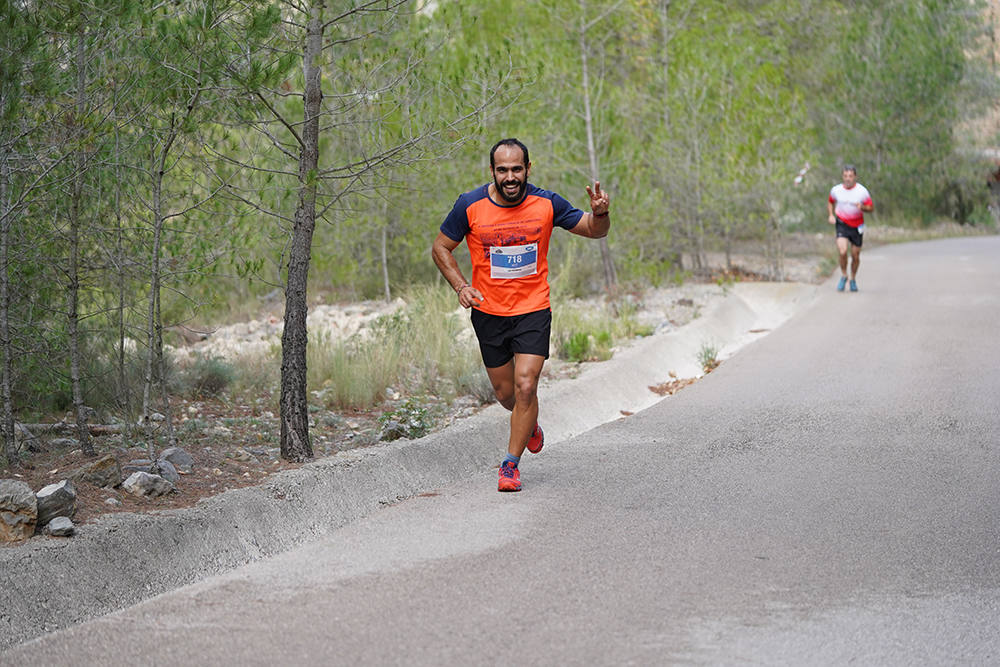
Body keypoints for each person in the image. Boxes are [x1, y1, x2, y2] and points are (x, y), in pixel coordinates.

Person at [431, 138, 611, 492]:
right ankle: (528, 423)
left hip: (532, 309)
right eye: (503, 170)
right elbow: (440, 247)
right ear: (492, 172)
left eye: (517, 169)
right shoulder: (469, 205)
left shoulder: (546, 203)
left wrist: (601, 212)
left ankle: (510, 465)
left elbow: (593, 230)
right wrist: (460, 285)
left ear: (529, 168)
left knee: (527, 385)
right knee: (506, 394)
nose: (510, 177)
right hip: (488, 312)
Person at [827, 165, 873, 292]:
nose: (848, 179)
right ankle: (843, 275)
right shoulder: (836, 190)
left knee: (855, 255)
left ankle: (852, 278)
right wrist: (831, 215)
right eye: (845, 176)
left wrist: (862, 207)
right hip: (842, 223)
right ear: (843, 176)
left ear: (855, 177)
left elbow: (871, 208)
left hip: (857, 226)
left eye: (850, 176)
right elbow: (830, 201)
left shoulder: (862, 191)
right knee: (842, 251)